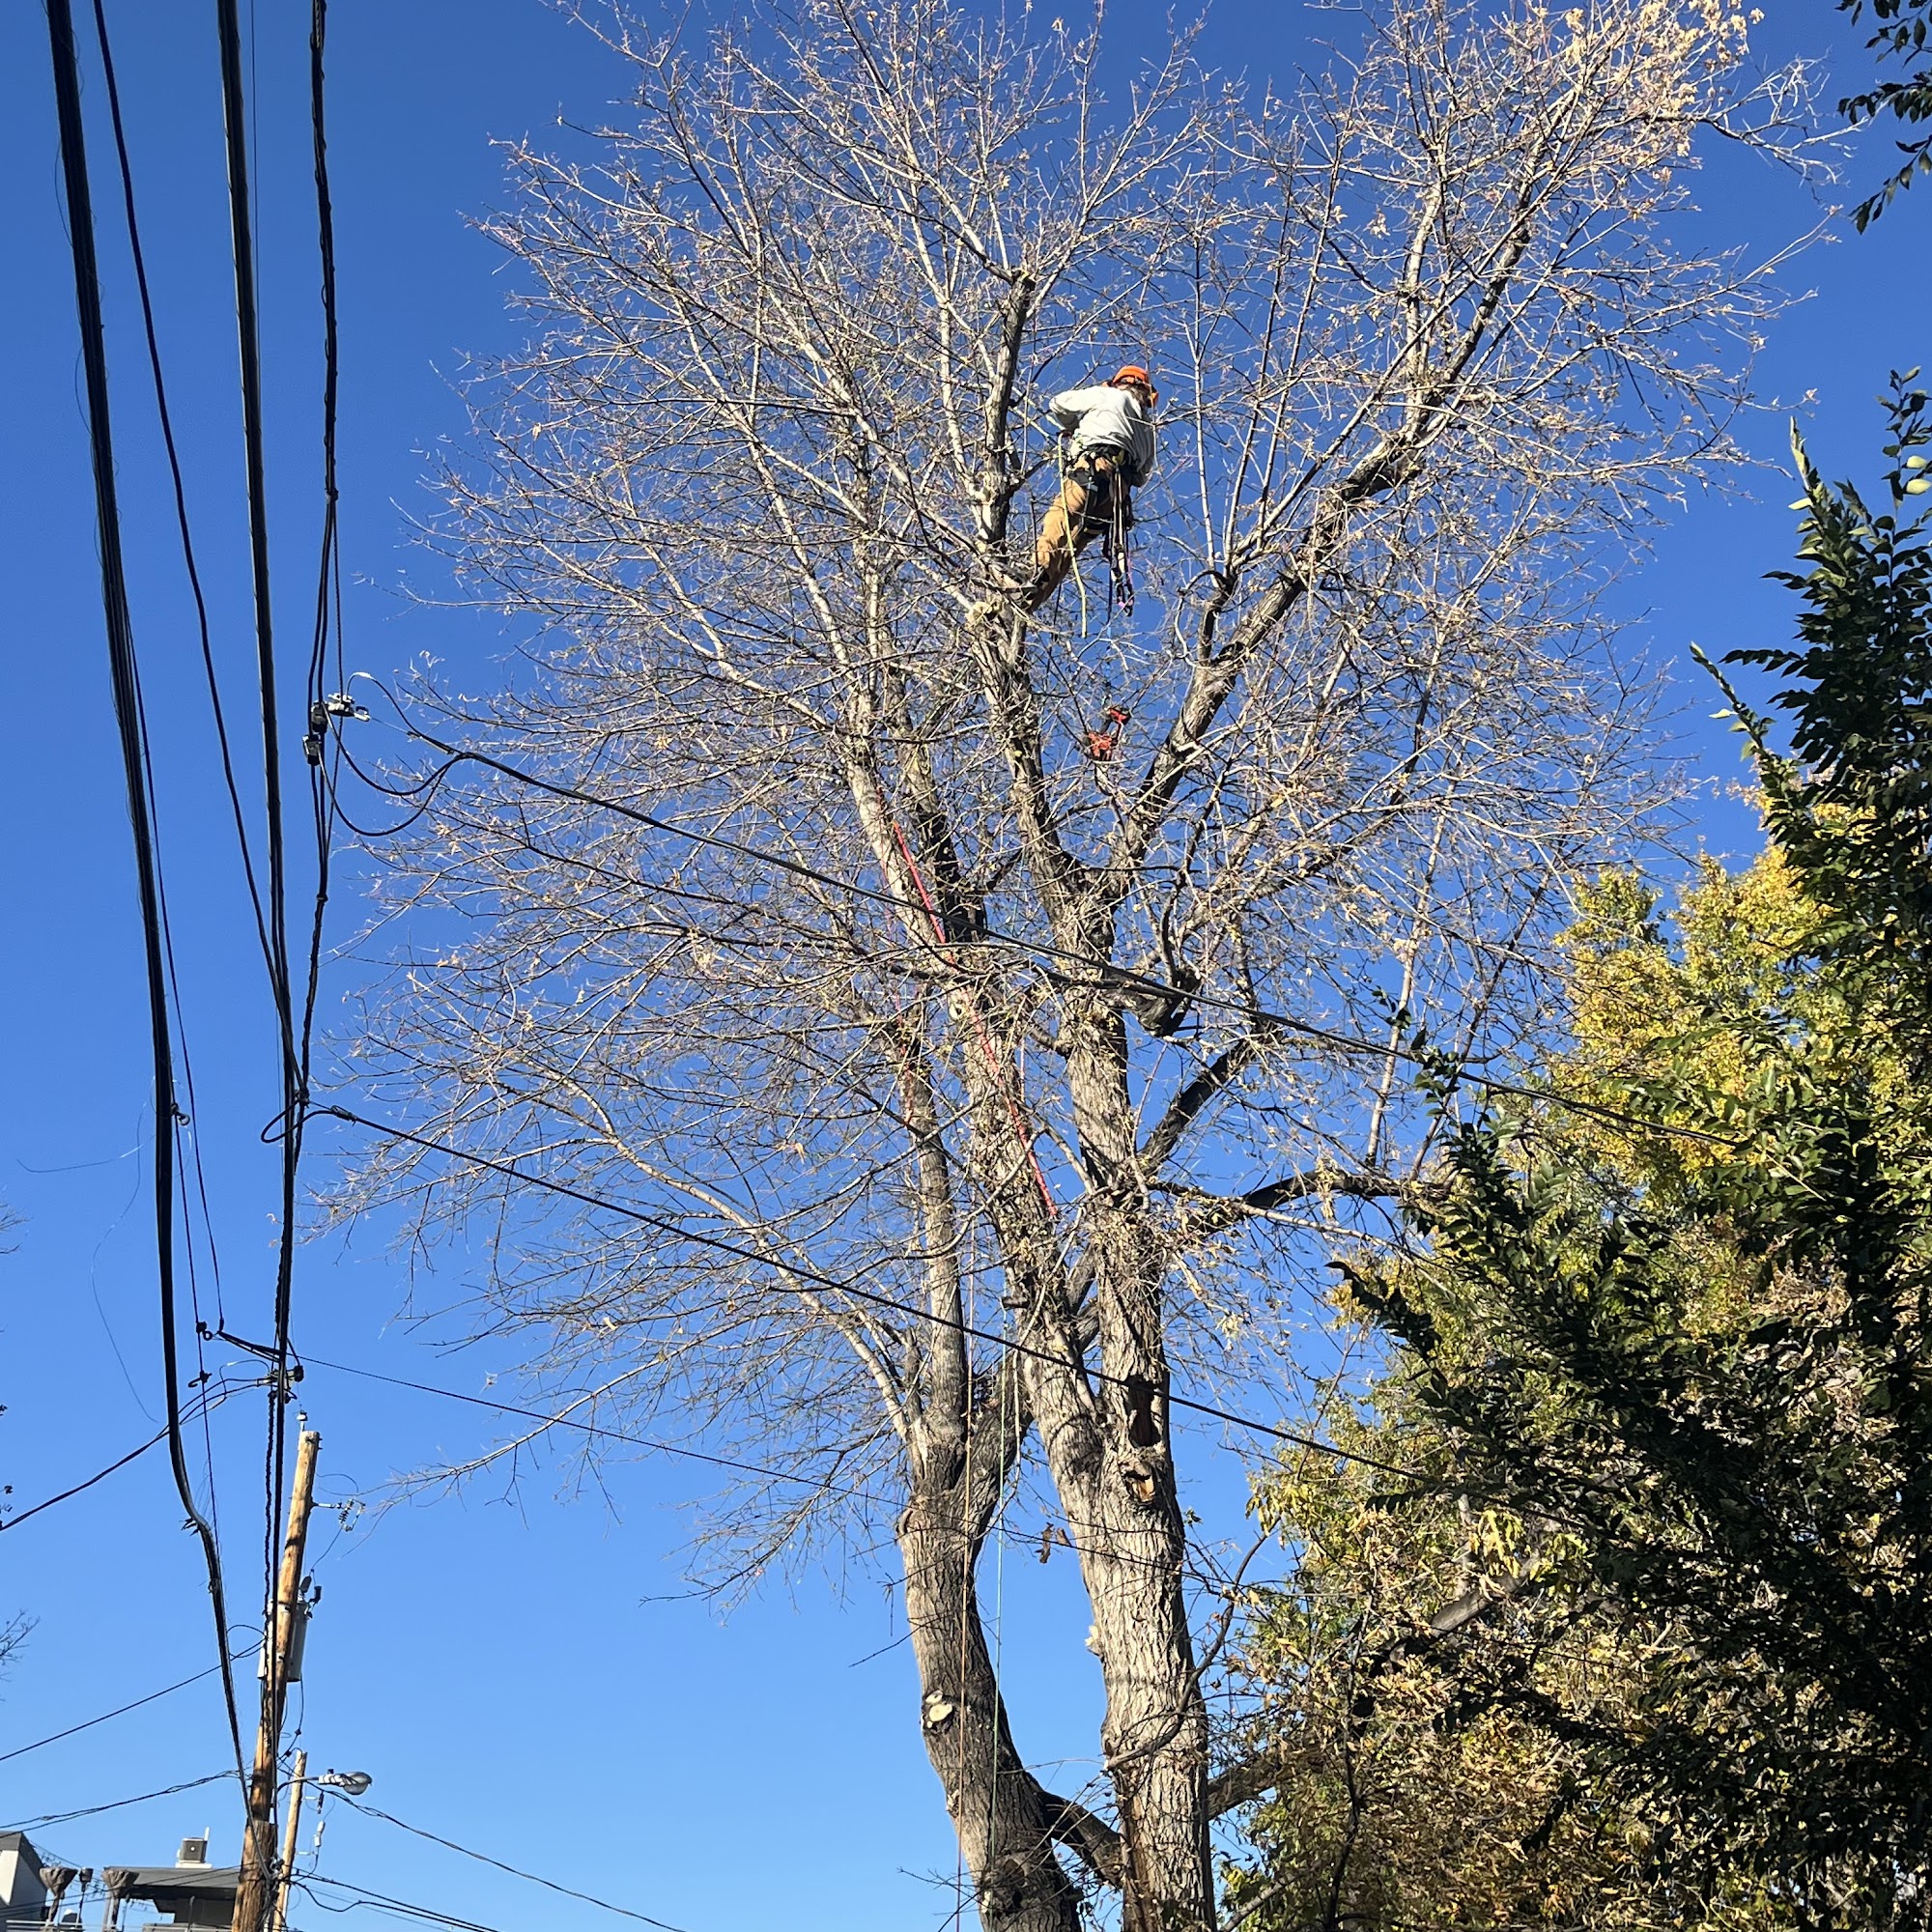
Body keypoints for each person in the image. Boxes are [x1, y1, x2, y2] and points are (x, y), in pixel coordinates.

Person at [1024, 365, 1158, 613]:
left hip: (1093, 470)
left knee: (1059, 520)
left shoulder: (1108, 395)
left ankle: (1031, 574)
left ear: (1120, 383)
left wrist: (1077, 425)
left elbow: (1058, 403)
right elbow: (1140, 478)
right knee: (1069, 551)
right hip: (1115, 498)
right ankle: (1027, 602)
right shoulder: (1147, 429)